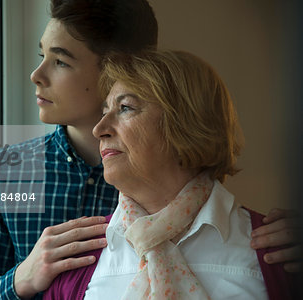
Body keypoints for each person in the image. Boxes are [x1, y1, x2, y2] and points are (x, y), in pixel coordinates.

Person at [0, 1, 300, 299]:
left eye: (60, 61)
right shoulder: (6, 173)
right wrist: (19, 280)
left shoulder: (241, 237)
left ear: (120, 68)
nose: (36, 75)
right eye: (42, 55)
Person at [44, 49, 297, 300]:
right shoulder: (75, 262)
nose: (99, 129)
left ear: (186, 122)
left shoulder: (281, 255)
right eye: (104, 111)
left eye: (125, 108)